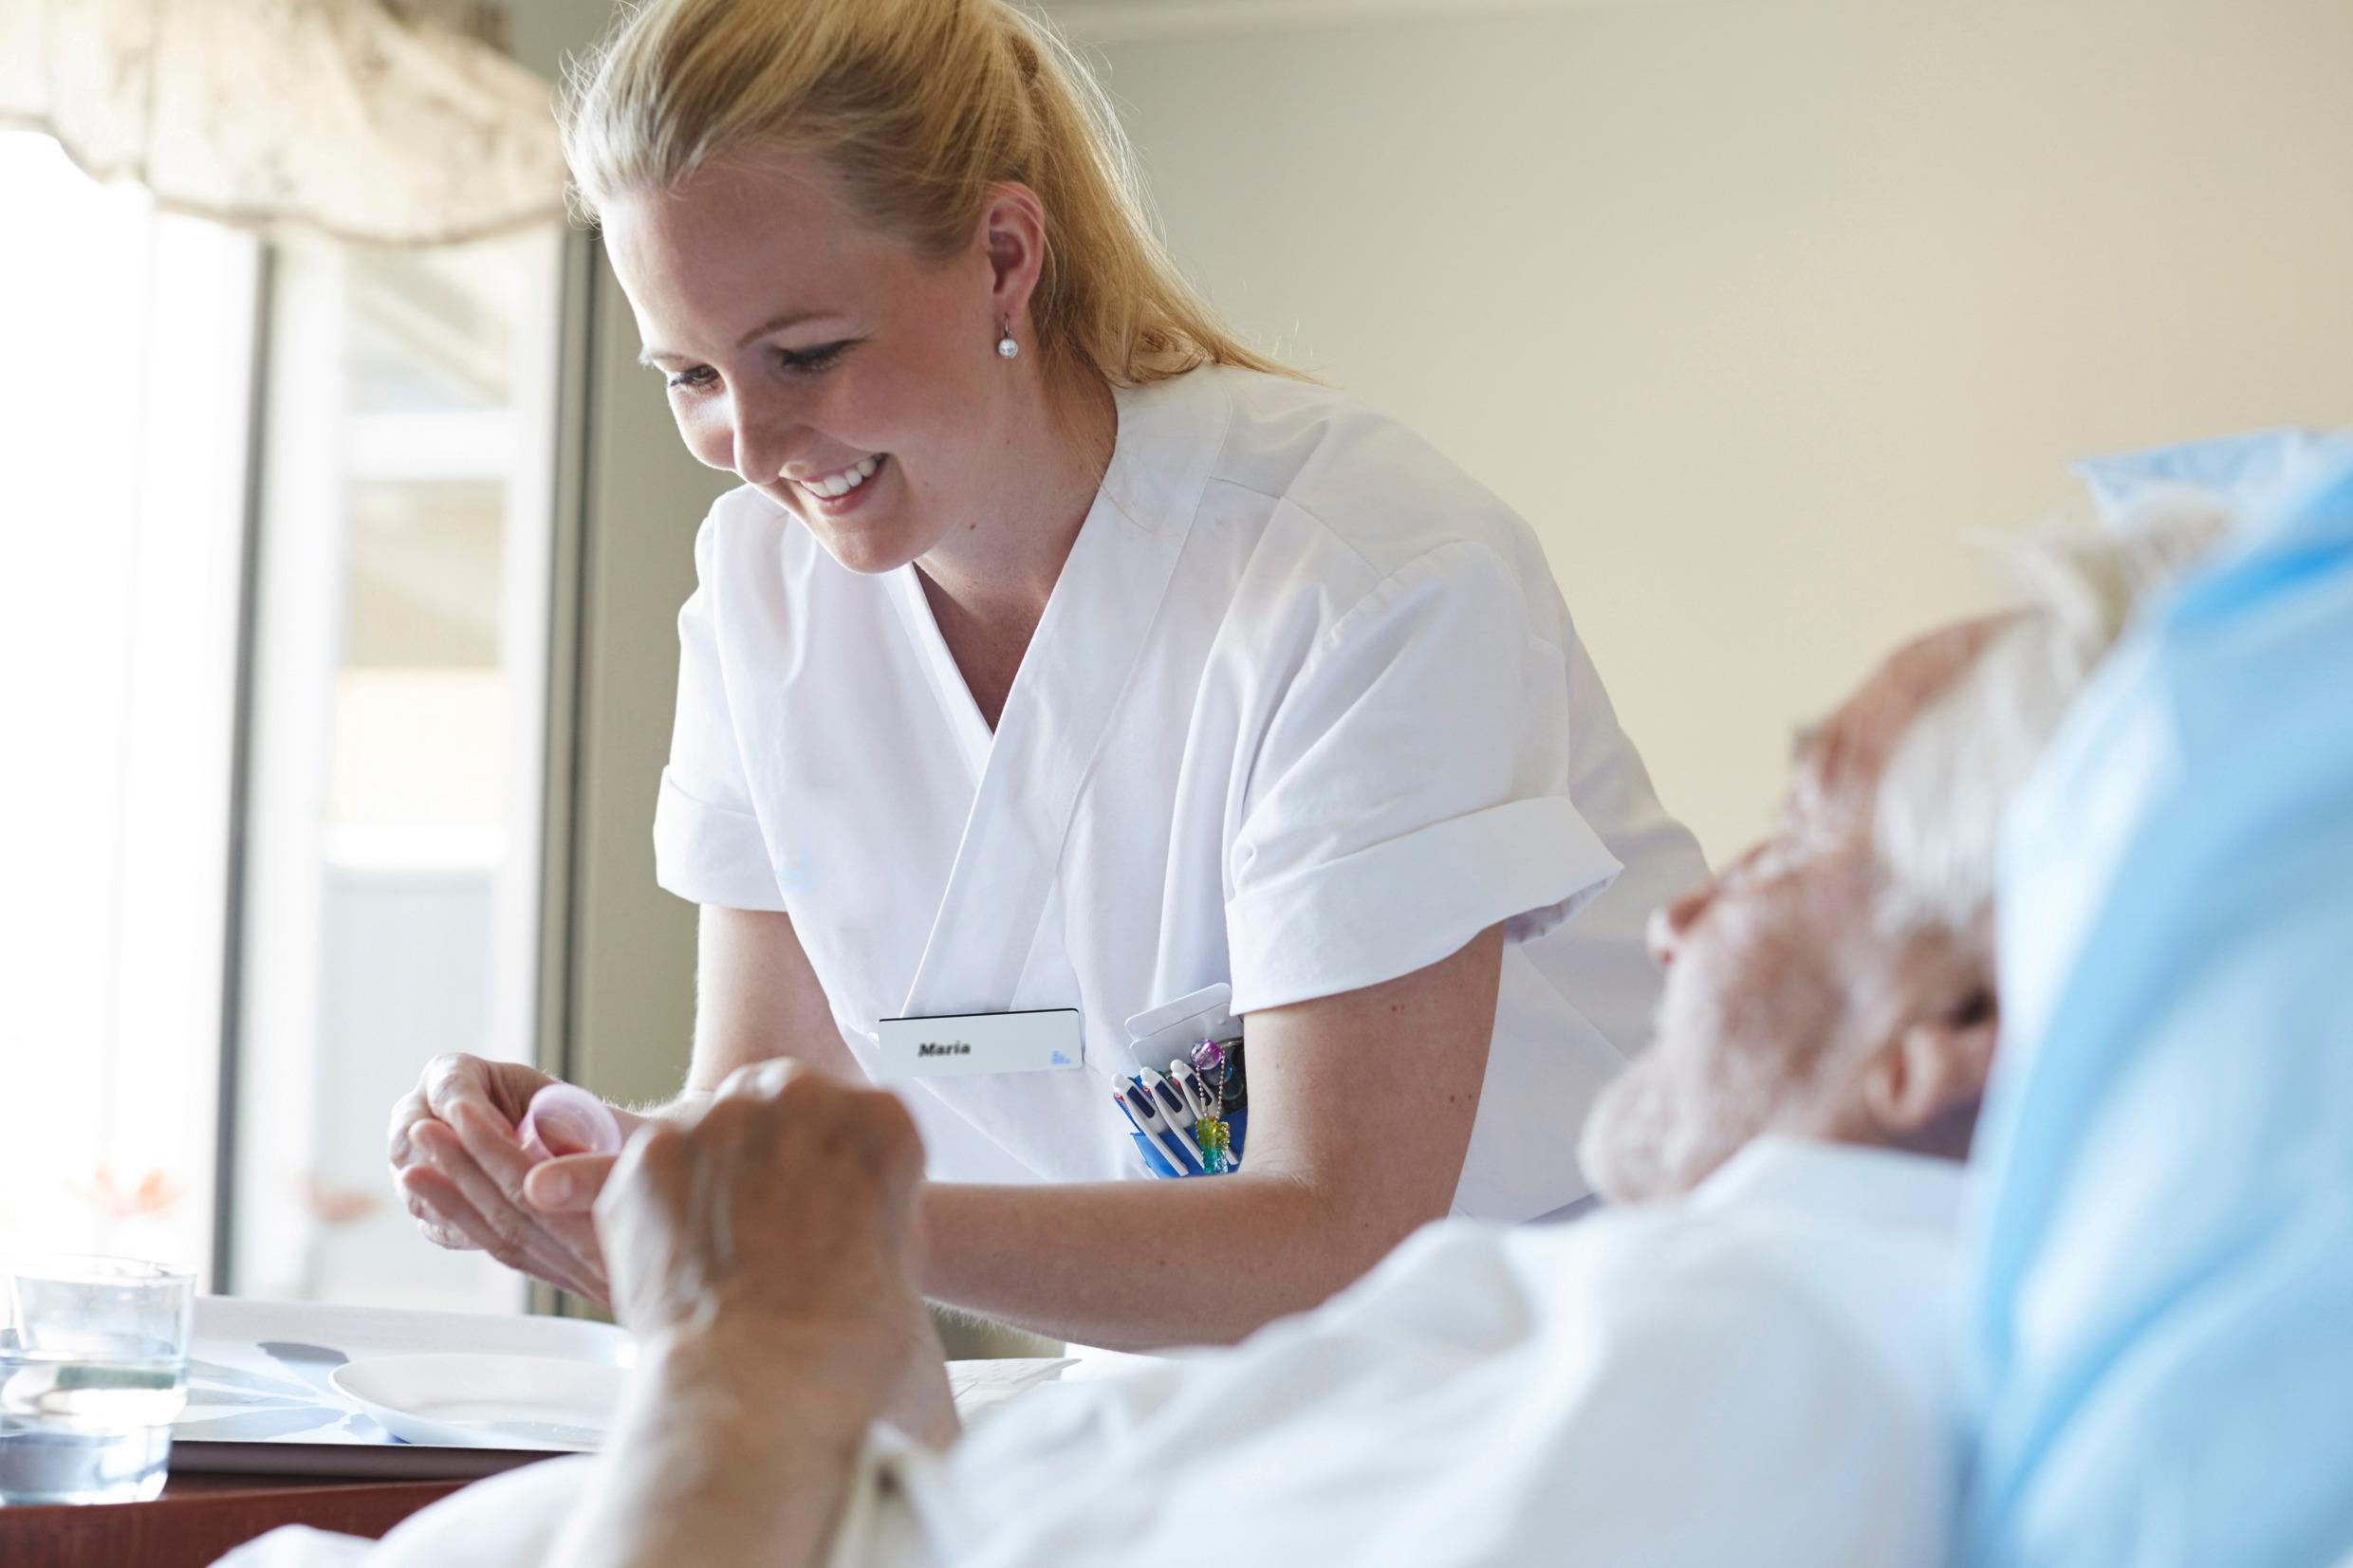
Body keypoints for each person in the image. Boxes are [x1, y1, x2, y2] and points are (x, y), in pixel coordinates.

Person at [246, 509, 2213, 1568]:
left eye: (1799, 836)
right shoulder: (1621, 1329)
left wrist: (761, 1342)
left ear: (1941, 1032)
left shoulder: (1747, 1368)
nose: (1684, 907)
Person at [386, 0, 1705, 1349]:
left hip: (1573, 1363)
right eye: (689, 376)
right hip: (1192, 1411)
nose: (748, 444)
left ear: (1004, 256)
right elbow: (761, 1109)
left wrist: (800, 1213)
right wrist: (578, 1169)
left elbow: (1330, 1233)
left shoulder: (1363, 575)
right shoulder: (759, 596)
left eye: (805, 355)